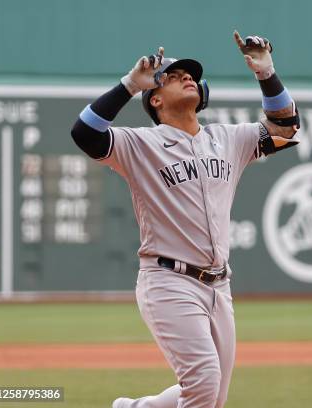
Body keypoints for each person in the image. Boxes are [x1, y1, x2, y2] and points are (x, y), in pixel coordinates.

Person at [70, 31, 300, 408]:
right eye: (174, 76)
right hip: (168, 281)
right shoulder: (140, 144)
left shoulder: (229, 139)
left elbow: (286, 128)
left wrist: (266, 72)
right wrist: (130, 85)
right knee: (204, 382)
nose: (187, 77)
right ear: (155, 99)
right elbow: (84, 133)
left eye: (190, 74)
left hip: (218, 285)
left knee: (211, 394)